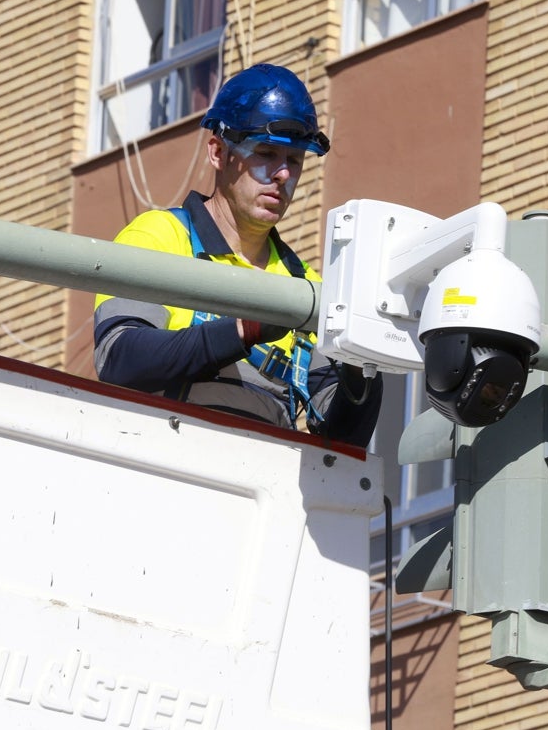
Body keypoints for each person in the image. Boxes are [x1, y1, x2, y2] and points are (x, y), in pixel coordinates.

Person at [93, 63, 382, 447]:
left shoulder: (307, 289)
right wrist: (241, 330)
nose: (282, 174)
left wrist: (366, 363)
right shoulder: (162, 236)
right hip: (158, 467)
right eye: (266, 153)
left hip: (257, 492)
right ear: (218, 152)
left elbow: (343, 434)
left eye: (294, 161)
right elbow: (119, 358)